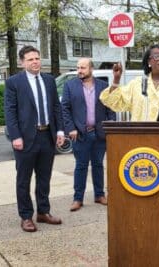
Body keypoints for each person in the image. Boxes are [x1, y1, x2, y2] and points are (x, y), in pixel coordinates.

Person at [4, 45, 65, 232]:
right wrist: (15, 136)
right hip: (25, 138)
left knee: (44, 178)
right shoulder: (14, 82)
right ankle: (26, 216)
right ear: (22, 62)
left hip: (47, 136)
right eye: (30, 59)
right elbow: (10, 111)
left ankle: (43, 212)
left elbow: (56, 107)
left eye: (37, 58)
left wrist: (60, 131)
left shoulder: (48, 80)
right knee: (24, 179)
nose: (35, 62)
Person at [99, 44, 159, 137]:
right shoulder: (137, 84)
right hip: (140, 139)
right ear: (149, 62)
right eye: (157, 56)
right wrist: (116, 79)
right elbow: (114, 102)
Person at [61, 58, 116, 212]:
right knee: (81, 166)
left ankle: (99, 195)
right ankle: (78, 198)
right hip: (80, 134)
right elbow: (65, 108)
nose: (80, 70)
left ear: (91, 68)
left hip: (99, 134)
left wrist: (109, 125)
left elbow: (110, 108)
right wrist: (70, 128)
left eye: (83, 67)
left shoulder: (103, 86)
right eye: (78, 67)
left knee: (98, 165)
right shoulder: (70, 86)